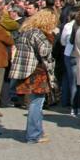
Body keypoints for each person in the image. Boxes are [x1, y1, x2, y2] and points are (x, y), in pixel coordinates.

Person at [10, 9, 58, 144]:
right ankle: (34, 134)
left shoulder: (26, 31)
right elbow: (44, 50)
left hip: (26, 70)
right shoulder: (37, 33)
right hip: (36, 71)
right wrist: (50, 38)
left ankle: (36, 131)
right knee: (37, 103)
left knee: (34, 102)